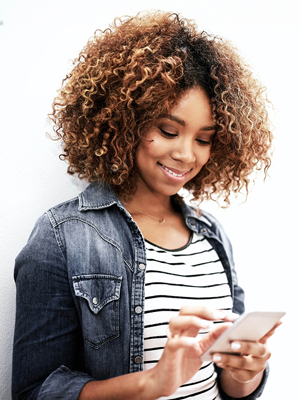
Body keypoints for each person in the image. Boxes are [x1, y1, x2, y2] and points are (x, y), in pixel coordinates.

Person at [12, 11, 278, 400]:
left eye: (203, 139)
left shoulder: (212, 235)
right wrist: (150, 385)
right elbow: (36, 391)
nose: (186, 154)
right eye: (168, 130)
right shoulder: (62, 237)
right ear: (125, 120)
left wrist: (245, 374)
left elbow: (228, 385)